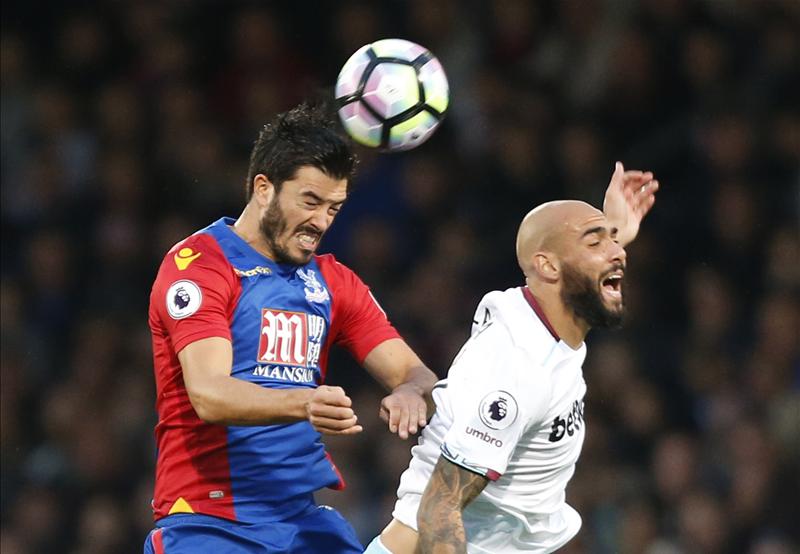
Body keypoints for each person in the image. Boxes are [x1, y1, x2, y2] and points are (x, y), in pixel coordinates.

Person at [143, 103, 438, 554]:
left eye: (334, 208)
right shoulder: (201, 265)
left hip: (300, 523)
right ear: (264, 188)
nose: (321, 222)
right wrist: (304, 401)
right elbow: (209, 394)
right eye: (310, 202)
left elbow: (417, 374)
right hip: (209, 523)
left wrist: (410, 392)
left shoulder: (333, 281)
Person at [365, 163, 659, 553]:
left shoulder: (532, 313)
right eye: (596, 243)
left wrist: (611, 231)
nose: (618, 252)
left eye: (613, 241)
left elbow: (574, 269)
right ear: (548, 266)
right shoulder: (519, 369)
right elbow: (438, 510)